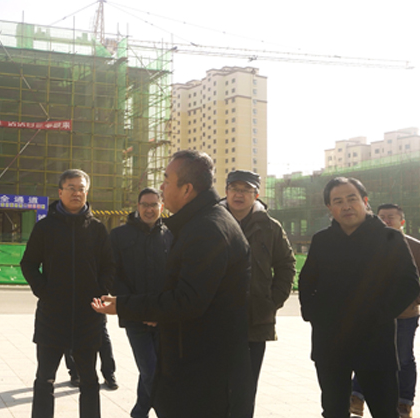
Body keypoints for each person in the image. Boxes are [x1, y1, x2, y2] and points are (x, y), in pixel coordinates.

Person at [93, 150, 252, 418]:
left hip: (205, 379)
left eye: (167, 180)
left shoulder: (208, 229)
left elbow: (187, 301)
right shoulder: (198, 223)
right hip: (197, 367)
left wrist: (124, 305)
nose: (162, 187)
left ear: (187, 189)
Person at [299, 177, 420, 418]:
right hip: (330, 341)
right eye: (338, 201)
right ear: (329, 208)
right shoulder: (322, 240)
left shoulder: (390, 238)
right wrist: (314, 315)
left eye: (352, 199)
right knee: (333, 410)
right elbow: (307, 282)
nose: (346, 206)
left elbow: (409, 284)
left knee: (385, 411)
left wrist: (378, 314)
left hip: (375, 340)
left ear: (365, 201)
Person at [20, 169, 115, 418]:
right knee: (45, 378)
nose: (77, 193)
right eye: (71, 188)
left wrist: (99, 292)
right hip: (52, 315)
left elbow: (110, 266)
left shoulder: (97, 229)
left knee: (89, 380)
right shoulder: (45, 227)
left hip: (88, 317)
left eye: (81, 189)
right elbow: (28, 263)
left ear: (87, 192)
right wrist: (44, 291)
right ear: (60, 192)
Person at [350, 203, 420, 418]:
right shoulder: (367, 245)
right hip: (371, 316)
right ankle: (356, 397)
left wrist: (414, 300)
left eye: (390, 217)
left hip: (404, 316)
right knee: (366, 354)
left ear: (402, 221)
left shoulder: (416, 247)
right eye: (381, 217)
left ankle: (404, 402)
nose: (385, 221)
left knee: (403, 358)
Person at [221, 170, 296, 417]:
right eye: (235, 188)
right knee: (215, 387)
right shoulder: (212, 222)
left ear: (256, 194)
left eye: (246, 190)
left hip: (254, 321)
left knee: (245, 388)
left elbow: (286, 265)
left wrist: (272, 301)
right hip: (214, 319)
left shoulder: (270, 227)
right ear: (226, 191)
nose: (239, 194)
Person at [109, 187, 172, 418]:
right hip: (135, 317)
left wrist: (160, 311)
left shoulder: (171, 235)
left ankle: (139, 412)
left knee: (154, 369)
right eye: (145, 205)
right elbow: (112, 276)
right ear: (137, 207)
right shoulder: (119, 236)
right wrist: (139, 309)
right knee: (151, 371)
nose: (149, 209)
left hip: (163, 317)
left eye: (154, 205)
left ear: (161, 207)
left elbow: (175, 276)